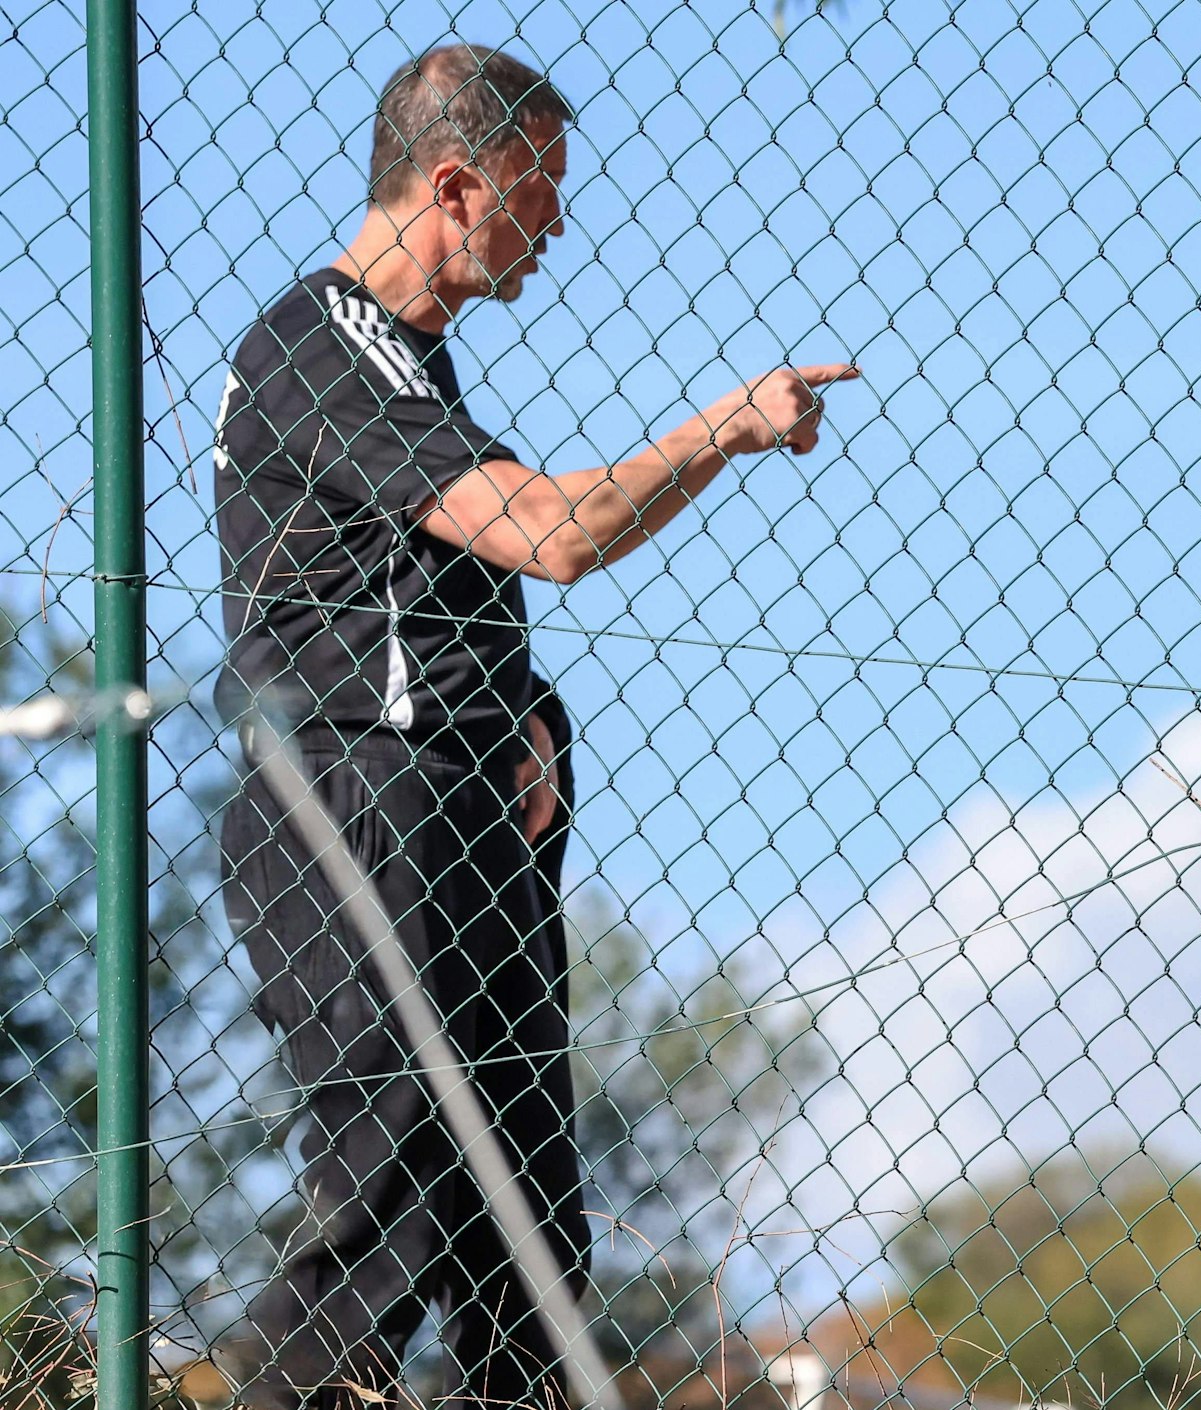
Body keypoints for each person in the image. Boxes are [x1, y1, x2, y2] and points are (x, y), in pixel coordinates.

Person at [213, 42, 857, 1410]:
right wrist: (721, 431)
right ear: (455, 183)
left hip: (453, 824)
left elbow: (447, 584)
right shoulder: (318, 350)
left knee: (526, 1247)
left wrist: (518, 718)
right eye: (538, 187)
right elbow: (549, 533)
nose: (556, 222)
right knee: (385, 1214)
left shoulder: (409, 366)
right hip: (358, 817)